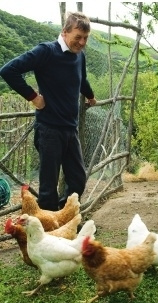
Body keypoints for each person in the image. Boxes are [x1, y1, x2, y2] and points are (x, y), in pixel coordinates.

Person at [0, 12, 97, 211]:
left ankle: (63, 219)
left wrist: (90, 96)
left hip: (70, 129)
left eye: (85, 38)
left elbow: (82, 80)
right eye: (78, 37)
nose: (81, 42)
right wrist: (33, 97)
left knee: (78, 180)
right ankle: (47, 235)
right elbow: (8, 70)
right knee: (47, 189)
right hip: (49, 130)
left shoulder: (80, 56)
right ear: (64, 31)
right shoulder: (47, 51)